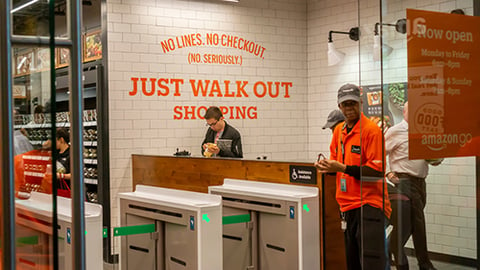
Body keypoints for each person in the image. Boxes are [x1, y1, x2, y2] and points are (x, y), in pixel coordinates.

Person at [315, 83, 391, 270]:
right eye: (345, 104)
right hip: (347, 206)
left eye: (353, 103)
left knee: (371, 263)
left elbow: (377, 172)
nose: (349, 108)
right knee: (352, 262)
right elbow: (337, 163)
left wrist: (342, 167)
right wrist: (326, 167)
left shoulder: (372, 131)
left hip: (370, 205)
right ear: (339, 106)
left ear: (361, 103)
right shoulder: (339, 131)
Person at [385, 102, 441, 270]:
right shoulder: (395, 131)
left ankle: (388, 247)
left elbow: (434, 159)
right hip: (403, 182)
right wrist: (387, 172)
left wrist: (437, 158)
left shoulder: (423, 132)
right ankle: (424, 263)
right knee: (418, 221)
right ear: (404, 112)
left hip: (420, 183)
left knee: (409, 226)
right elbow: (378, 152)